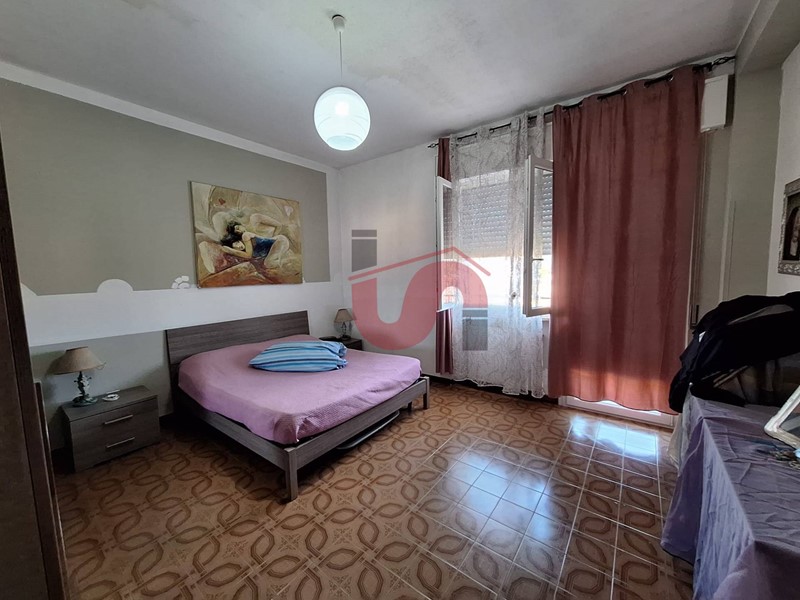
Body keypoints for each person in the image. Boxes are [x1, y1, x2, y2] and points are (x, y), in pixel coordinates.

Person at [220, 221, 289, 268]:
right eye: (236, 231)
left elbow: (248, 255)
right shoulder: (245, 245)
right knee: (268, 263)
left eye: (238, 228)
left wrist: (230, 250)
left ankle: (289, 260)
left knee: (268, 263)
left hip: (280, 241)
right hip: (279, 244)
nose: (239, 231)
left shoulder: (245, 235)